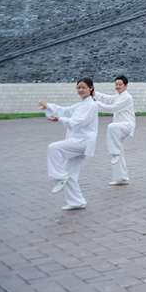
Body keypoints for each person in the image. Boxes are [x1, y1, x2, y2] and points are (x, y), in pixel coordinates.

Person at [41, 77, 99, 210]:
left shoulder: (92, 105)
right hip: (76, 140)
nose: (81, 90)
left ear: (90, 88)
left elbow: (79, 122)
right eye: (79, 87)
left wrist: (60, 119)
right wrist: (48, 106)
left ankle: (59, 177)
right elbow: (65, 110)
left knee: (53, 148)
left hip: (83, 142)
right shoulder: (80, 105)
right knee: (70, 173)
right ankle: (77, 202)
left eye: (84, 87)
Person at [93, 75, 136, 186]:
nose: (117, 86)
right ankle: (121, 178)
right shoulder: (118, 96)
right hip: (119, 127)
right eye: (116, 84)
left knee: (111, 127)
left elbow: (111, 108)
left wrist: (94, 103)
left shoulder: (127, 97)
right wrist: (94, 94)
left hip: (126, 126)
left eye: (120, 84)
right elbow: (107, 98)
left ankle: (114, 153)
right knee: (119, 150)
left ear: (126, 85)